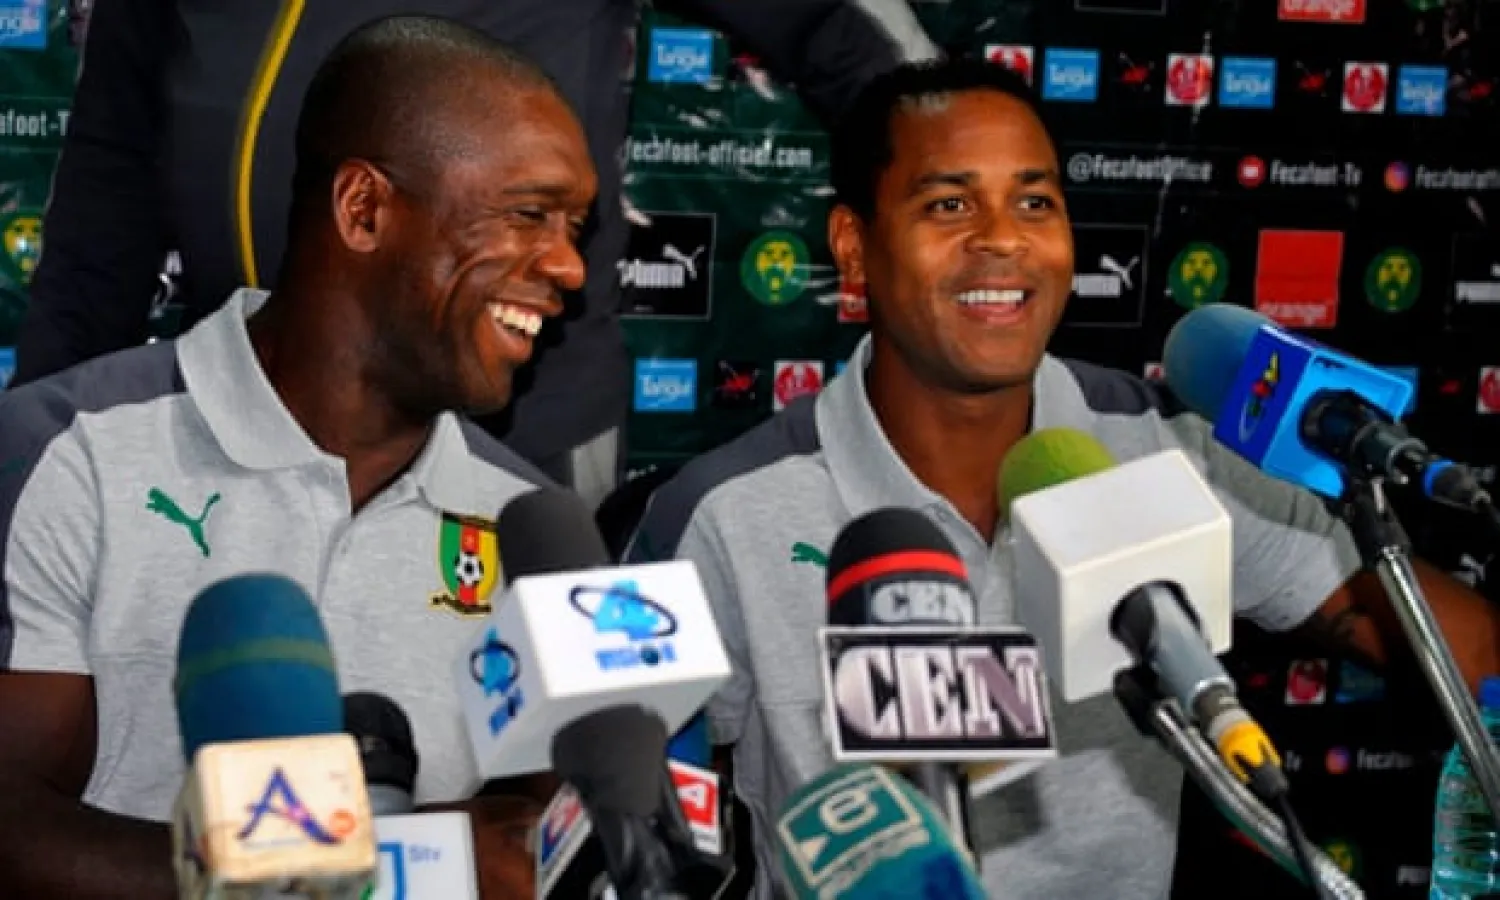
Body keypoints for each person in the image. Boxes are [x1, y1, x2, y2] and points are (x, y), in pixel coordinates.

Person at [625, 59, 1500, 899]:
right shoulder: (723, 515)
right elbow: (601, 811)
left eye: (1035, 202)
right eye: (949, 203)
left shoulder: (1172, 455)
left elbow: (1464, 651)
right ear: (854, 248)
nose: (1003, 238)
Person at [0, 18, 595, 898]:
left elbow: (538, 841)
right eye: (528, 215)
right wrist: (330, 870)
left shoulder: (538, 531)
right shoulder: (69, 453)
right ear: (364, 210)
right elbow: (13, 825)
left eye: (575, 226)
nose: (571, 267)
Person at [10, 0, 938, 509]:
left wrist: (957, 192)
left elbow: (834, 23)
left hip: (516, 421)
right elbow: (109, 178)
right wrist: (37, 448)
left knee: (527, 766)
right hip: (246, 413)